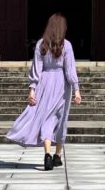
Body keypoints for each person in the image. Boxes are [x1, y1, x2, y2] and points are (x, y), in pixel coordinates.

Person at [5, 12, 82, 170]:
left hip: (44, 83)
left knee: (46, 118)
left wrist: (32, 89)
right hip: (62, 84)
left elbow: (36, 68)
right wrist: (76, 89)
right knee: (61, 119)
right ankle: (57, 156)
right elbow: (70, 70)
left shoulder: (41, 44)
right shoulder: (66, 45)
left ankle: (47, 154)